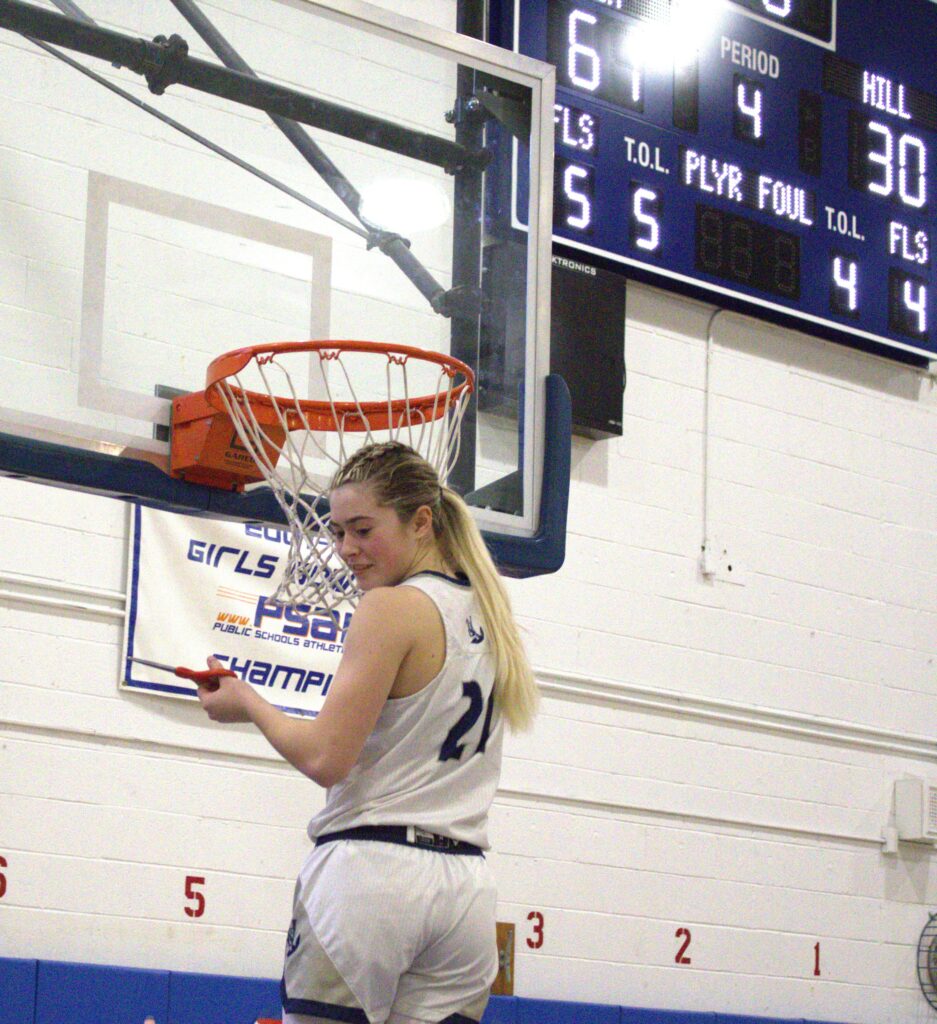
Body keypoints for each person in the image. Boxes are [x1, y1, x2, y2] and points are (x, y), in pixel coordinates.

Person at [195, 440, 538, 1024]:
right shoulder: (492, 615)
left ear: (422, 521)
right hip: (468, 892)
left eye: (361, 529)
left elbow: (326, 758)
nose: (346, 550)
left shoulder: (391, 607)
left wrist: (249, 701)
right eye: (336, 532)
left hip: (372, 876)